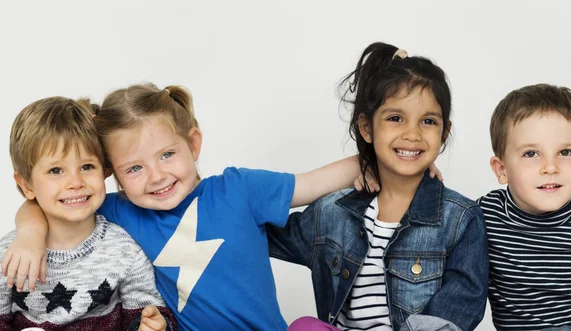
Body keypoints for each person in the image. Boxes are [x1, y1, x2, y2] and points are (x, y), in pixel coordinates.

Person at [2, 83, 365, 330]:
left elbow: (313, 182)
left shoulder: (238, 189)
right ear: (113, 174)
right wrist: (30, 234)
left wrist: (377, 163)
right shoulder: (119, 212)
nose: (156, 176)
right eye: (135, 168)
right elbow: (53, 204)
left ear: (193, 144)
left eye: (167, 154)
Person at [268, 42, 489, 331]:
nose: (412, 134)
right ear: (367, 128)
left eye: (428, 121)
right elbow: (251, 226)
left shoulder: (460, 219)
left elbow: (459, 308)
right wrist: (351, 167)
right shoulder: (332, 213)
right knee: (304, 327)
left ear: (444, 133)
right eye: (395, 118)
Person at [0, 96, 175, 330]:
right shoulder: (10, 255)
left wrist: (154, 325)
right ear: (26, 185)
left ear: (105, 170)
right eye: (55, 170)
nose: (75, 182)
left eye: (86, 167)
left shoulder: (124, 249)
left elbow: (149, 312)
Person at [479, 84, 571, 330]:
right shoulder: (485, 216)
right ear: (501, 170)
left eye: (565, 152)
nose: (550, 167)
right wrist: (425, 174)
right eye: (531, 154)